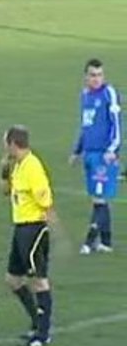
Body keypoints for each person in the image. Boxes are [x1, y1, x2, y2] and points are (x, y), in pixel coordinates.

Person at [0, 125, 55, 346]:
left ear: (14, 144)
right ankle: (36, 322)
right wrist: (5, 172)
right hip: (20, 228)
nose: (4, 147)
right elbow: (6, 192)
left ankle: (43, 333)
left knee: (38, 280)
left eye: (6, 143)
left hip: (33, 228)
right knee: (13, 280)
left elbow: (45, 199)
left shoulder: (33, 167)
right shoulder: (18, 165)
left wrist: (49, 222)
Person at [69, 58, 121, 254]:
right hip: (89, 154)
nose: (96, 79)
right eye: (92, 75)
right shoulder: (85, 96)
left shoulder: (108, 93)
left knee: (99, 198)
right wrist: (77, 151)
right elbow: (85, 126)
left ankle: (89, 242)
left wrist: (112, 150)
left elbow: (116, 124)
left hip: (104, 156)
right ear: (86, 77)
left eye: (99, 75)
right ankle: (106, 243)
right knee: (99, 199)